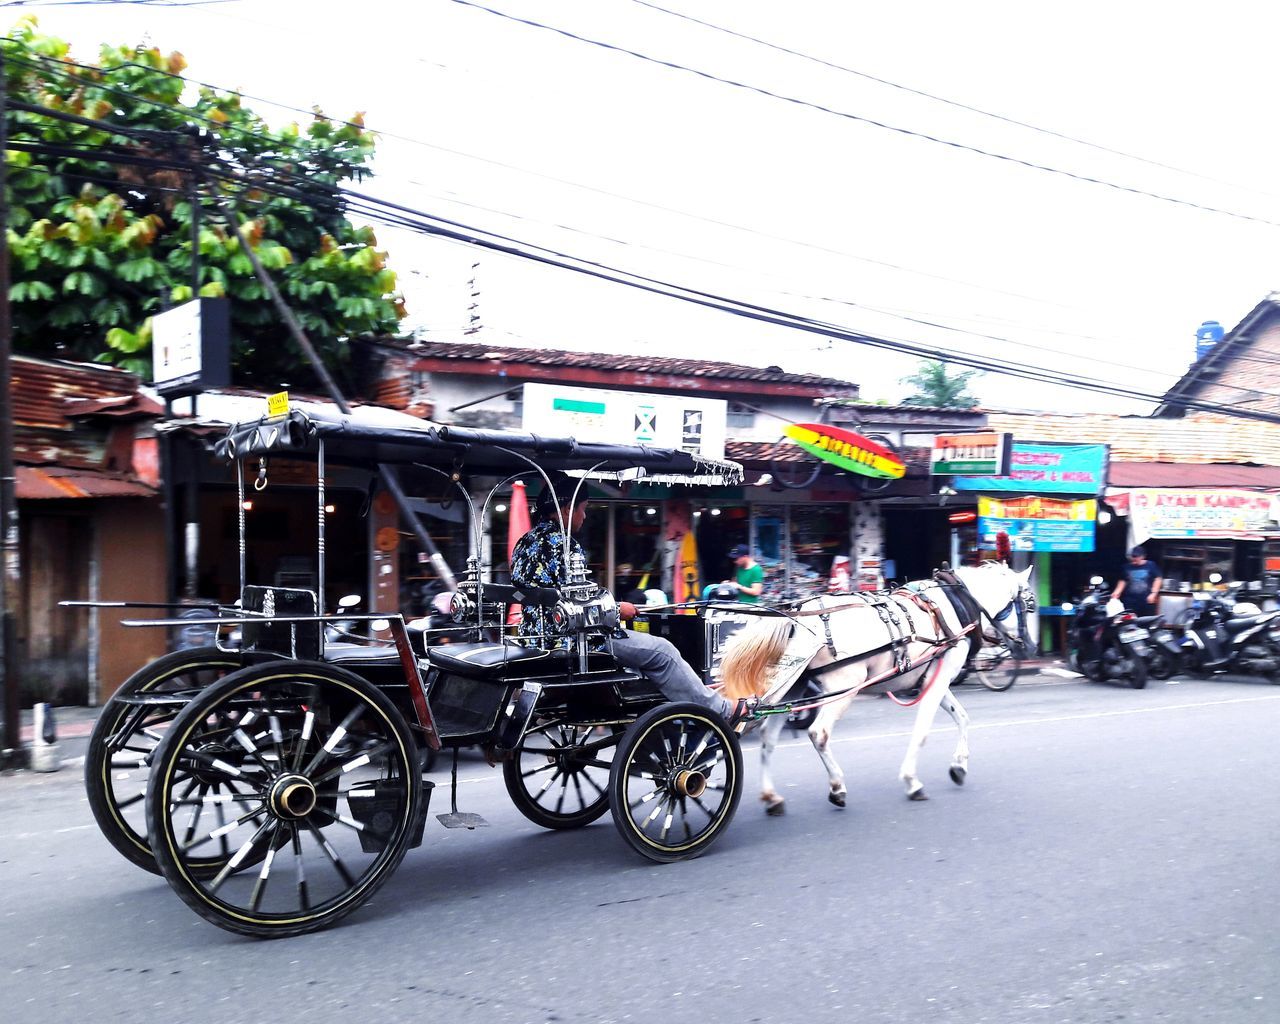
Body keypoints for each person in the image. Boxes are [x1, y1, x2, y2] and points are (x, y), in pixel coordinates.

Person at [510, 475, 753, 724]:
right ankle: (721, 709)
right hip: (574, 641)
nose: (584, 517)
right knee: (663, 652)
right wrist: (617, 610)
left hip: (535, 638)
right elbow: (578, 607)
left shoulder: (523, 543)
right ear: (566, 510)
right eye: (583, 510)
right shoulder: (564, 545)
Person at [1112, 546, 1163, 613]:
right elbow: (1122, 581)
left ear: (1143, 556)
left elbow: (1158, 579)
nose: (1134, 558)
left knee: (1146, 621)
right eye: (1133, 556)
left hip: (1147, 599)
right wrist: (1117, 592)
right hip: (1130, 600)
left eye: (1136, 556)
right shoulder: (1126, 567)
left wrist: (1154, 593)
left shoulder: (1151, 565)